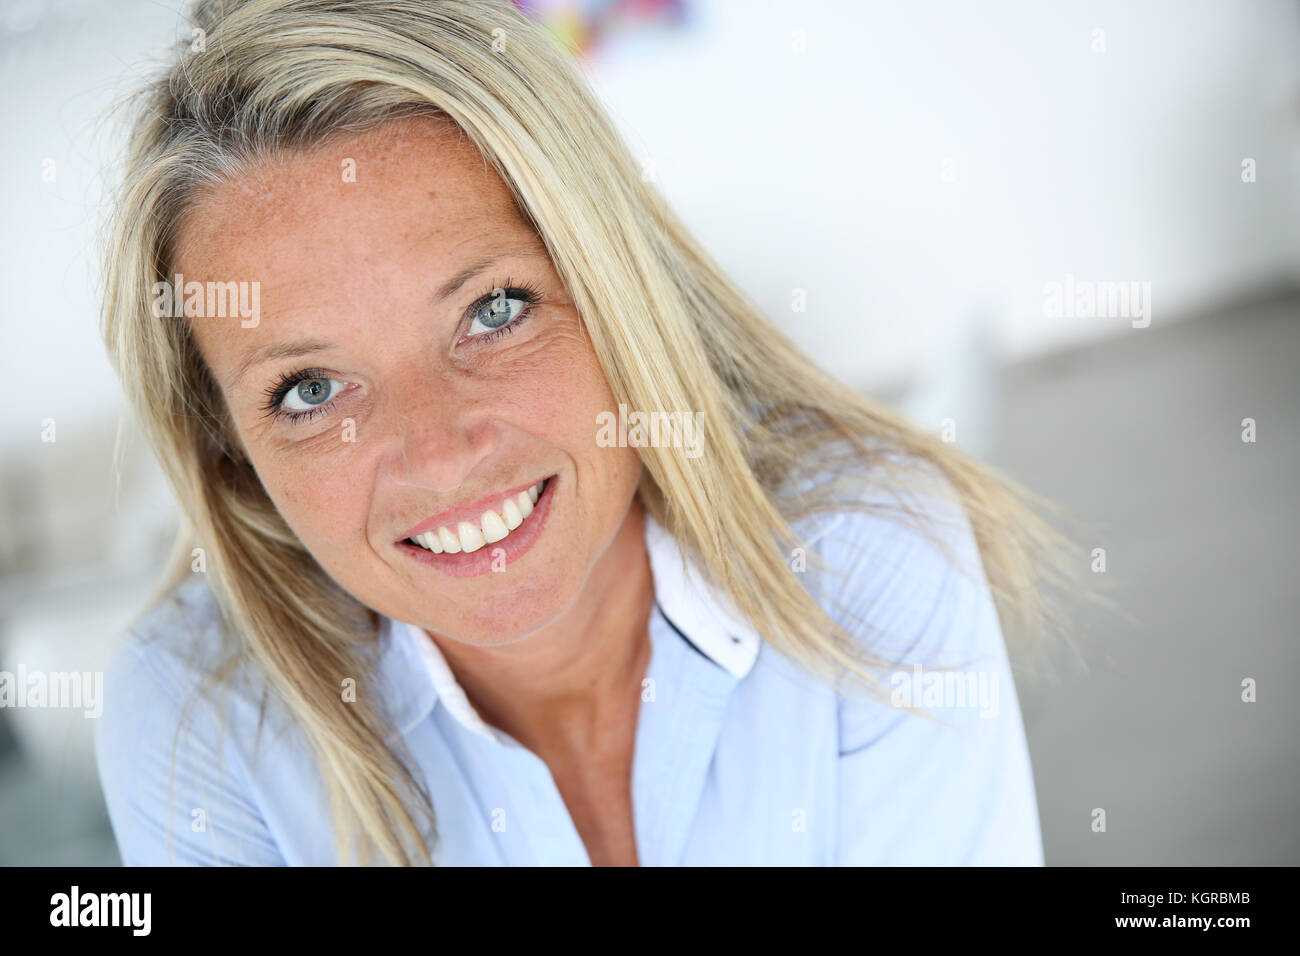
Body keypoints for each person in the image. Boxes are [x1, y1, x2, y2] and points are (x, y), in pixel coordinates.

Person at [94, 0, 1081, 866]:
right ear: (227, 445)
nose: (438, 452)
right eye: (310, 388)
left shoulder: (871, 552)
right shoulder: (197, 720)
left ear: (619, 293)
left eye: (493, 310)